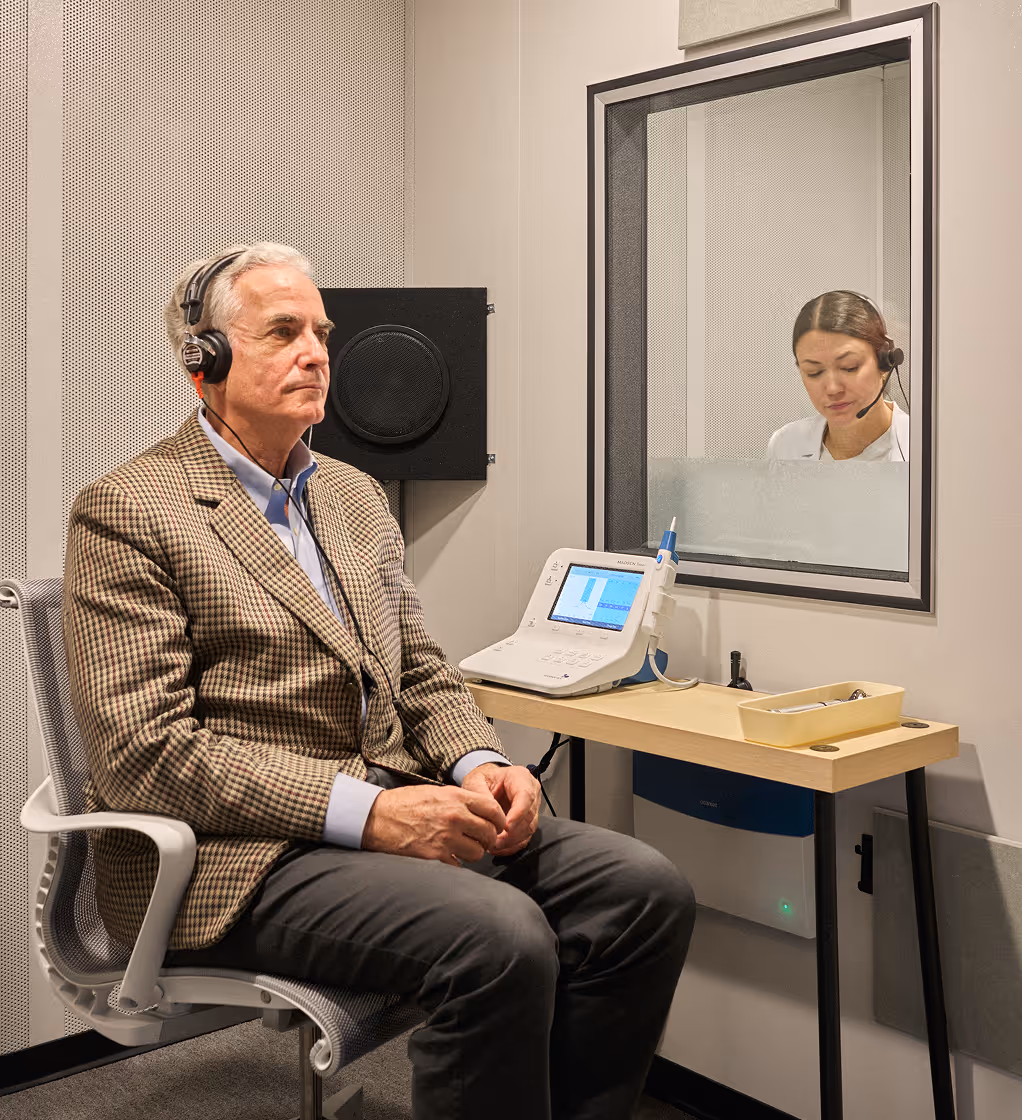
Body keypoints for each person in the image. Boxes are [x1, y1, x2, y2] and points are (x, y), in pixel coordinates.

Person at [62, 242, 696, 1120]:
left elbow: (419, 667)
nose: (318, 352)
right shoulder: (130, 508)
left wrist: (479, 764)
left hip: (385, 808)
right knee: (498, 937)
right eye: (283, 331)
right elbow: (147, 755)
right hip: (238, 856)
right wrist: (373, 813)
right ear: (203, 362)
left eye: (320, 332)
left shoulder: (354, 497)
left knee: (643, 891)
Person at [767, 290, 909, 462]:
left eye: (849, 367)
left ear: (885, 363)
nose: (833, 389)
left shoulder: (923, 447)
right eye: (814, 372)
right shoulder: (786, 445)